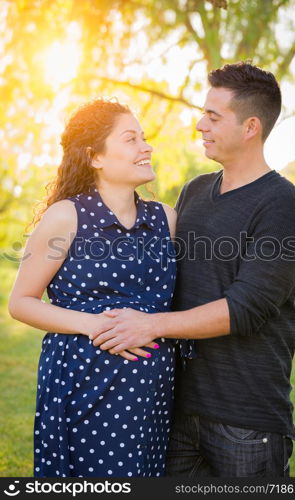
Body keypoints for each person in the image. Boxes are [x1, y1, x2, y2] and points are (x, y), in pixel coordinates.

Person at [89, 63, 295, 477]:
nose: (198, 124)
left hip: (245, 420)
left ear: (250, 127)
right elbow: (162, 279)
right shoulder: (194, 191)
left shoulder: (281, 205)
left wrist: (151, 325)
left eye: (213, 116)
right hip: (175, 409)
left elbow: (244, 308)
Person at [8, 98, 178, 477]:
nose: (146, 146)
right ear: (95, 157)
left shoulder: (165, 218)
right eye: (131, 139)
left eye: (144, 138)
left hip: (153, 394)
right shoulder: (67, 216)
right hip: (84, 385)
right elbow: (21, 303)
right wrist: (97, 325)